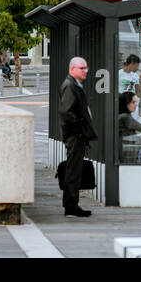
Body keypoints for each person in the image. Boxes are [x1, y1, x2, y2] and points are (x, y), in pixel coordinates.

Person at [58, 56, 97, 217]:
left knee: (75, 169)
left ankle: (72, 204)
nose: (85, 71)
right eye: (82, 68)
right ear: (72, 69)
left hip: (76, 134)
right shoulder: (70, 86)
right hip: (75, 135)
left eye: (86, 67)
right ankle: (71, 206)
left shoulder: (73, 85)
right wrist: (80, 128)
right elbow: (66, 112)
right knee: (73, 171)